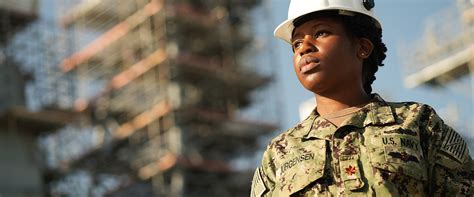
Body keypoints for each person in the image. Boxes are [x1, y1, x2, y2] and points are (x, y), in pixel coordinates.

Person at [250, 0, 473, 196]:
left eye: (321, 33)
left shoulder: (418, 123)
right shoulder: (280, 151)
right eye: (296, 43)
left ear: (363, 47)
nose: (304, 48)